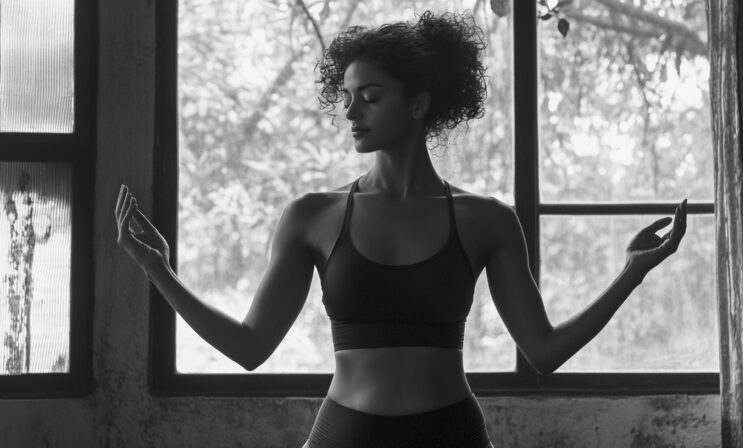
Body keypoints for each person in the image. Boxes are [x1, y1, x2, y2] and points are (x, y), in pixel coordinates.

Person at [114, 10, 688, 448]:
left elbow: (543, 351)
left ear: (418, 105)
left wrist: (631, 273)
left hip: (451, 434)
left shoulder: (485, 219)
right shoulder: (311, 215)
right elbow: (249, 346)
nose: (351, 112)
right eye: (346, 97)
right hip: (345, 434)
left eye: (370, 96)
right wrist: (157, 270)